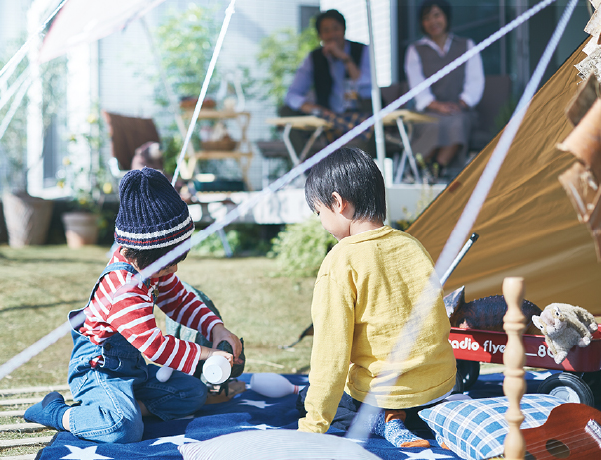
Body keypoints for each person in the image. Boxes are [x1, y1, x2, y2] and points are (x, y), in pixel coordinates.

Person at [24, 167, 243, 443]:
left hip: (132, 371)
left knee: (194, 392)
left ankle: (123, 409)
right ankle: (56, 412)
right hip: (98, 371)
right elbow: (157, 347)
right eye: (169, 262)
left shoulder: (150, 268)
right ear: (145, 254)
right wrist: (207, 352)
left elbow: (179, 300)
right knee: (122, 430)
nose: (174, 269)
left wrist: (216, 328)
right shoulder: (122, 289)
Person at [297, 147, 456, 447]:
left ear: (337, 202)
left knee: (312, 400)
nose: (320, 222)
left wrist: (312, 427)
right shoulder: (412, 244)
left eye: (319, 212)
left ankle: (386, 421)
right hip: (439, 387)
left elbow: (330, 354)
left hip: (383, 395)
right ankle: (428, 418)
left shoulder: (340, 261)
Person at [405, 0, 484, 179]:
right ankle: (418, 169)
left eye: (437, 15)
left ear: (446, 16)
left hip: (460, 109)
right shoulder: (415, 50)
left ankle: (435, 169)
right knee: (436, 124)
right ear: (421, 23)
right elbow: (417, 85)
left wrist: (462, 103)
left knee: (458, 122)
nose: (433, 22)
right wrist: (437, 106)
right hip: (428, 111)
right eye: (426, 18)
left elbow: (475, 80)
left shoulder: (466, 45)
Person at [281, 9, 376, 155]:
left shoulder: (362, 51)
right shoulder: (314, 58)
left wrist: (346, 59)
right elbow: (292, 95)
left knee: (371, 121)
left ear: (344, 30)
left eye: (336, 29)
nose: (332, 35)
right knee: (286, 111)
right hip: (328, 118)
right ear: (320, 36)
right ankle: (307, 172)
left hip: (359, 114)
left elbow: (367, 89)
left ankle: (362, 172)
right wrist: (309, 106)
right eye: (326, 31)